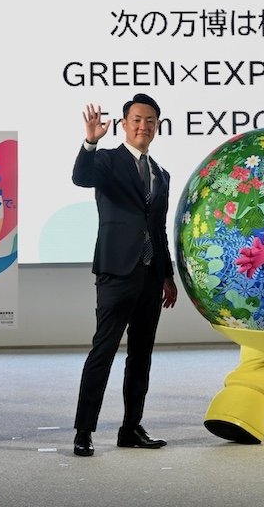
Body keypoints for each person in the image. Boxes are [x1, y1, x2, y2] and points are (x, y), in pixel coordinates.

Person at [71, 93, 178, 457]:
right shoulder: (106, 160)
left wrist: (167, 275)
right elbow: (81, 177)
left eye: (150, 121)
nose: (143, 126)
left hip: (150, 277)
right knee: (103, 352)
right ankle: (84, 431)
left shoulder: (161, 174)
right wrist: (90, 141)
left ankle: (131, 428)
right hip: (116, 272)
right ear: (123, 124)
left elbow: (158, 228)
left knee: (141, 357)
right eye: (136, 119)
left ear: (157, 127)